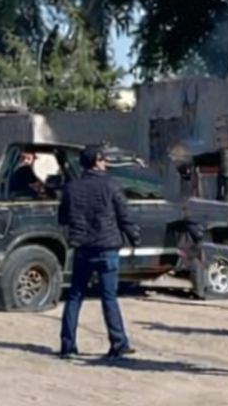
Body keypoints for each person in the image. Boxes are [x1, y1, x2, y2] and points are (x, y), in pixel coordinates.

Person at [57, 144, 140, 360]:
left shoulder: (71, 187)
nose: (105, 163)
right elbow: (125, 216)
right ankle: (118, 343)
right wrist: (134, 238)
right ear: (97, 162)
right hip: (107, 246)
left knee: (75, 296)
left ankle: (67, 345)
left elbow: (63, 218)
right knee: (109, 297)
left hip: (82, 247)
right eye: (103, 159)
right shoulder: (111, 185)